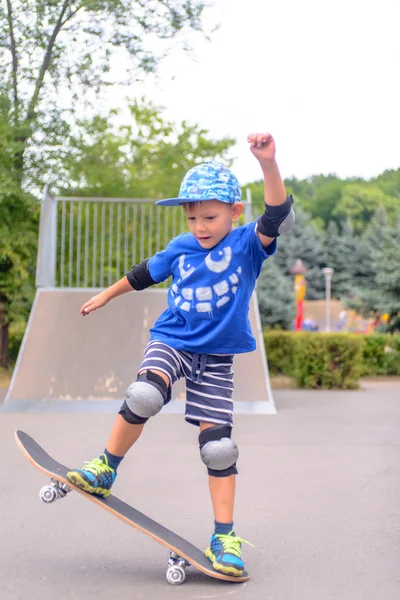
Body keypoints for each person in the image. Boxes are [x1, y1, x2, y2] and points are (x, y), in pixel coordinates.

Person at [67, 133, 295, 577]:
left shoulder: (249, 244)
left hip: (217, 358)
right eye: (192, 219)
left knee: (219, 449)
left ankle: (224, 538)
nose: (200, 227)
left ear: (234, 212)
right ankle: (105, 468)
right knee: (146, 395)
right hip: (172, 339)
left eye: (209, 217)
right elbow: (141, 275)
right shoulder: (181, 247)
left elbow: (278, 214)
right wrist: (106, 296)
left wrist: (268, 163)